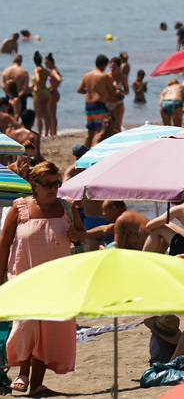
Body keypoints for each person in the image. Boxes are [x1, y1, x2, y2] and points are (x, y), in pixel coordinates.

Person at [0, 163, 85, 395]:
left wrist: (77, 235)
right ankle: (23, 373)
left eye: (56, 183)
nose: (52, 188)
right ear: (34, 184)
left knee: (48, 331)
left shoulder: (67, 207)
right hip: (24, 278)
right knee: (26, 324)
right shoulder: (19, 208)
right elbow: (4, 244)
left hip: (58, 280)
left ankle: (36, 383)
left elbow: (81, 235)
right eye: (46, 184)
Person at [77, 54, 117, 147]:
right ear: (104, 65)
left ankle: (85, 150)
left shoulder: (87, 75)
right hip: (99, 104)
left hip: (88, 105)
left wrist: (90, 91)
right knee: (101, 131)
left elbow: (79, 90)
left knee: (90, 132)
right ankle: (99, 149)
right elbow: (113, 91)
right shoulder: (104, 76)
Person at [84, 200, 149, 250]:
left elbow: (117, 251)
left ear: (113, 209)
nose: (103, 214)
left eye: (104, 210)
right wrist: (83, 234)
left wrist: (104, 251)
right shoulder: (131, 215)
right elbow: (104, 230)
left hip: (143, 257)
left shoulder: (122, 220)